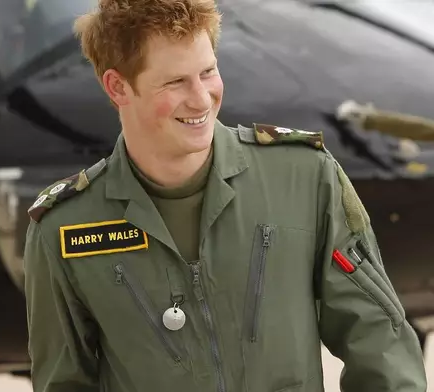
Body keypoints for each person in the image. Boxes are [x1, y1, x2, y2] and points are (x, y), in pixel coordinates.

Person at [22, 0, 427, 391]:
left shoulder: (304, 180)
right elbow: (63, 382)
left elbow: (378, 340)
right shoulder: (64, 229)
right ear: (118, 87)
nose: (201, 98)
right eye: (176, 81)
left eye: (208, 72)